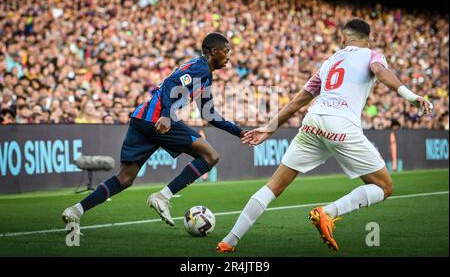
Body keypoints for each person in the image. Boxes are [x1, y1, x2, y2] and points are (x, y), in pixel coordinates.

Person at [216, 18, 434, 253]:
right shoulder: (372, 55)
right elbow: (380, 72)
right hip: (341, 124)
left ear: (343, 37)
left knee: (274, 186)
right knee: (384, 187)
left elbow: (301, 98)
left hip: (313, 120)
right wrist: (411, 96)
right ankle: (328, 213)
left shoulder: (330, 61)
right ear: (367, 39)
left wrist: (270, 128)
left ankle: (229, 240)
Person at [62, 32, 246, 227]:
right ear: (214, 51)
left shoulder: (205, 76)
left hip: (142, 118)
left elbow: (209, 115)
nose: (228, 57)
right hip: (158, 119)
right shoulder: (200, 68)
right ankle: (162, 197)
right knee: (210, 156)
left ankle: (75, 210)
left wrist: (239, 132)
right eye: (226, 52)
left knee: (125, 178)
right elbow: (171, 83)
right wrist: (166, 114)